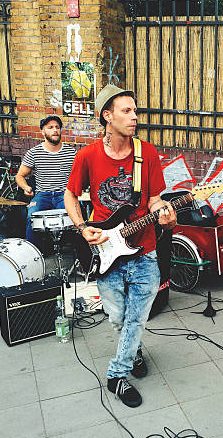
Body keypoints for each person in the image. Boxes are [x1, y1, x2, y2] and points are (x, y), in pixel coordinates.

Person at [64, 84, 176, 408]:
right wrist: (83, 227)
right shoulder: (88, 155)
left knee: (137, 318)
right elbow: (71, 194)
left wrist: (164, 215)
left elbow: (154, 199)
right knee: (118, 319)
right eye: (126, 111)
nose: (134, 117)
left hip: (145, 251)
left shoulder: (147, 153)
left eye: (135, 111)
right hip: (105, 250)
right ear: (107, 116)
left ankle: (117, 375)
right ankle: (135, 351)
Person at [15, 116, 77, 247]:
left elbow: (81, 174)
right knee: (31, 216)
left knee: (75, 217)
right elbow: (20, 176)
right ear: (43, 132)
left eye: (57, 127)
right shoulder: (34, 153)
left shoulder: (71, 152)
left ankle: (76, 254)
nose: (55, 130)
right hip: (42, 195)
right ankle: (34, 252)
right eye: (50, 128)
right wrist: (26, 187)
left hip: (64, 195)